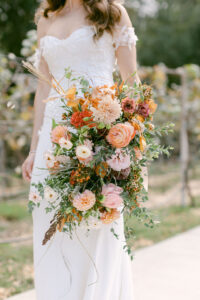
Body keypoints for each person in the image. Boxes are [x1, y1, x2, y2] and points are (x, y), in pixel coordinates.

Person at [22, 0, 141, 299]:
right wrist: (35, 149)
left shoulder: (112, 12)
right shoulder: (46, 17)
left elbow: (131, 82)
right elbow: (43, 89)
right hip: (52, 140)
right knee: (52, 231)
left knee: (97, 229)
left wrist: (131, 138)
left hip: (99, 134)